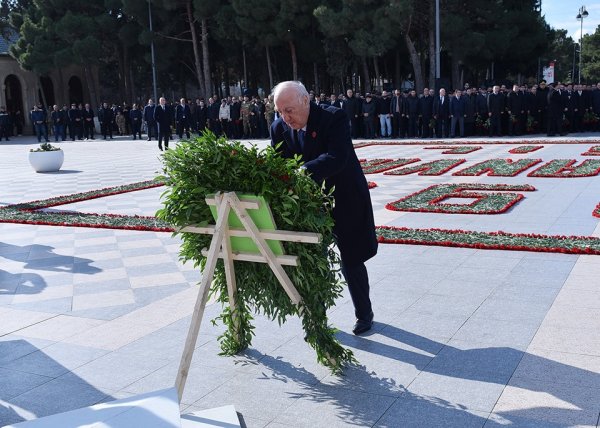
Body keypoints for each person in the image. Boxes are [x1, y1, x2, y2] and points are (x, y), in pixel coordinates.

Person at [270, 81, 378, 335]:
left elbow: (337, 157)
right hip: (308, 204)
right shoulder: (278, 128)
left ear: (306, 101)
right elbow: (277, 164)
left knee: (351, 258)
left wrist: (301, 172)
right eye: (280, 112)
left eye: (290, 110)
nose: (285, 118)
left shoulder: (333, 117)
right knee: (310, 258)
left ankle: (364, 314)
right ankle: (316, 318)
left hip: (344, 197)